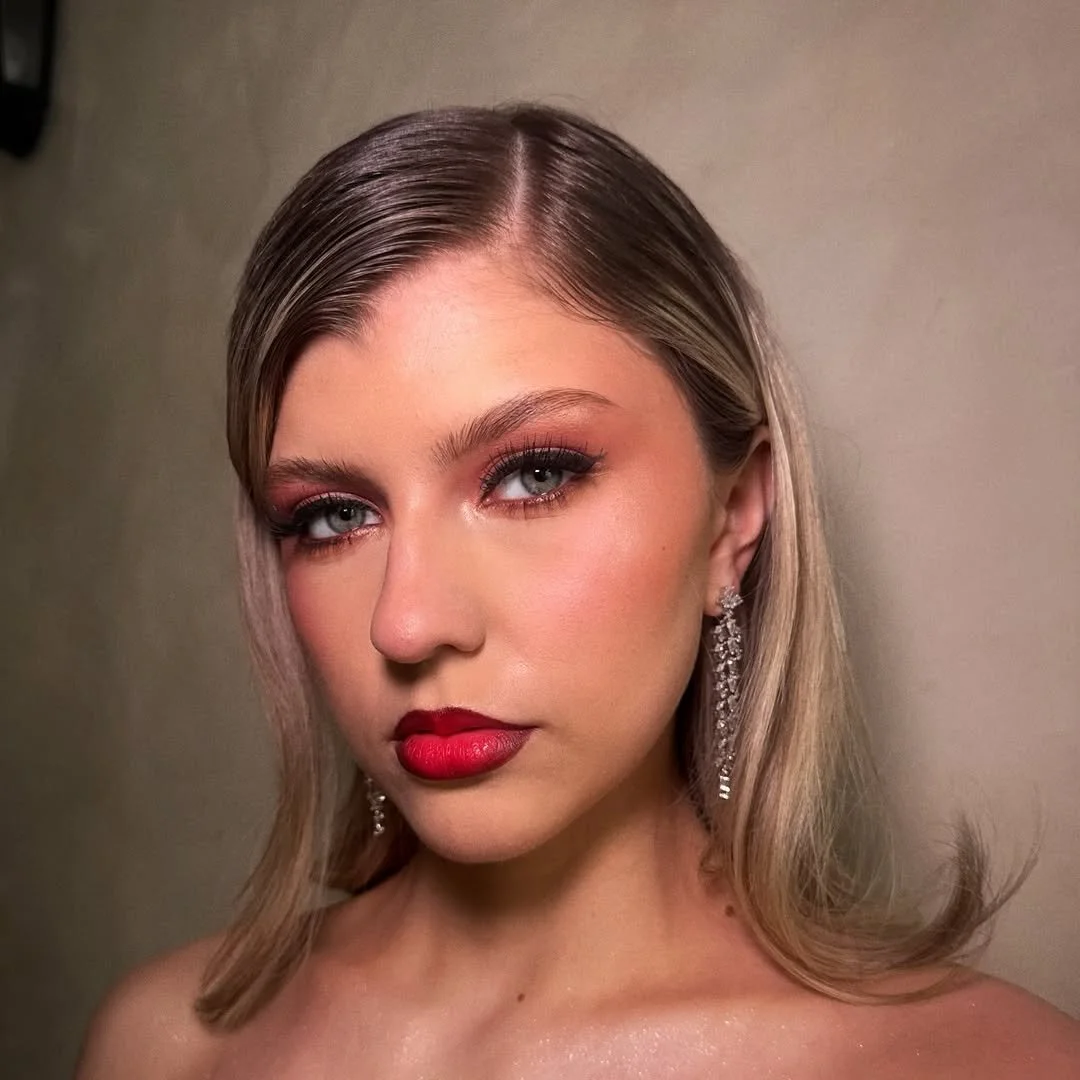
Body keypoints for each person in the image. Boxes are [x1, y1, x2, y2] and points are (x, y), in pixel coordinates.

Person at [76, 103, 1080, 1079]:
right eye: (334, 517)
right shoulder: (163, 1046)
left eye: (532, 476)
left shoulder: (991, 1066)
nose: (407, 624)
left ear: (733, 517)